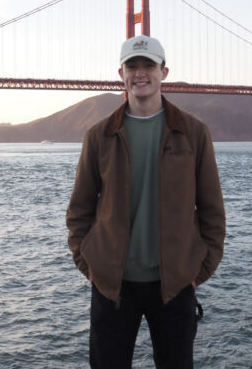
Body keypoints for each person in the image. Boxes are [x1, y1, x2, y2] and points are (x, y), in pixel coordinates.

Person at [66, 35, 227, 368]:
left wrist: (199, 270)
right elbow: (79, 210)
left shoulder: (194, 133)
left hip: (175, 284)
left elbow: (212, 210)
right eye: (132, 66)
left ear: (163, 72)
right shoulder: (98, 135)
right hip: (112, 285)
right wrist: (89, 265)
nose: (140, 73)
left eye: (148, 65)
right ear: (121, 74)